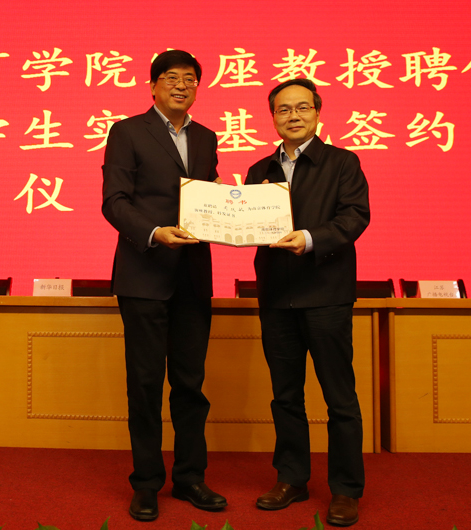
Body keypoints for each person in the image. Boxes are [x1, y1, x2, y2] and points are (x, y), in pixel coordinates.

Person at [101, 49, 227, 521]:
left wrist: (236, 215)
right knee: (146, 383)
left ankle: (191, 478)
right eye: (171, 78)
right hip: (144, 275)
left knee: (191, 384)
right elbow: (114, 201)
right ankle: (147, 482)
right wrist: (155, 233)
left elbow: (211, 198)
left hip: (193, 276)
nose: (181, 85)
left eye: (190, 79)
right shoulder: (127, 131)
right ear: (153, 86)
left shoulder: (206, 137)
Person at [245, 78, 370, 526]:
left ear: (317, 113)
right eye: (283, 109)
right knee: (285, 396)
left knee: (339, 397)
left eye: (302, 107)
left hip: (326, 296)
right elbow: (247, 224)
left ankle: (346, 490)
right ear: (273, 118)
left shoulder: (342, 162)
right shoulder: (259, 170)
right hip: (277, 297)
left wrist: (311, 239)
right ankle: (292, 478)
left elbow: (355, 217)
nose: (293, 116)